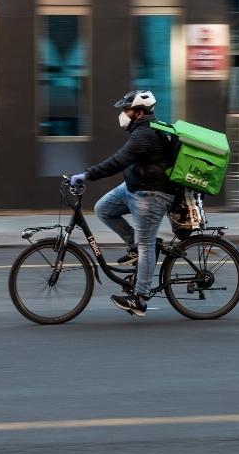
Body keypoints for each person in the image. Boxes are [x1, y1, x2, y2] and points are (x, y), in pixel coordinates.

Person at [69, 90, 175, 317]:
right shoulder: (141, 130)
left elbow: (119, 160)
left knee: (146, 244)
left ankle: (140, 298)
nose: (122, 115)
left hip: (152, 194)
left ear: (139, 113)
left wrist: (86, 175)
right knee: (103, 209)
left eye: (126, 110)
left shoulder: (144, 134)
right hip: (136, 187)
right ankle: (135, 244)